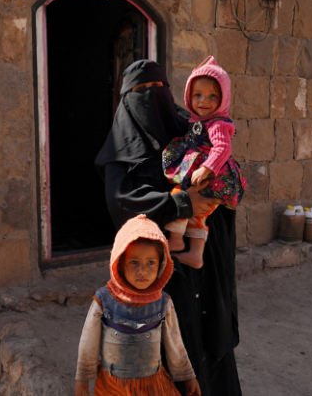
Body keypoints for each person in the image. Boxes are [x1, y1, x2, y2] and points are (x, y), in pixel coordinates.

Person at [96, 60, 243, 396]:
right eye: (141, 91)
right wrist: (182, 202)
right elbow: (122, 202)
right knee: (172, 348)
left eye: (159, 88)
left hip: (206, 263)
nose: (152, 96)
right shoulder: (121, 149)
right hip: (159, 271)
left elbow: (228, 173)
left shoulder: (190, 127)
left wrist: (212, 194)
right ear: (126, 97)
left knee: (209, 340)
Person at [74, 215, 202, 396]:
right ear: (119, 263)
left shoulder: (163, 302)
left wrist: (188, 376)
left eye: (151, 262)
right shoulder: (104, 299)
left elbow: (175, 343)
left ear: (161, 265)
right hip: (113, 386)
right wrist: (82, 377)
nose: (142, 270)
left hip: (153, 385)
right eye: (134, 262)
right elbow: (89, 343)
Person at [161, 56, 246, 269]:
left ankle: (176, 240)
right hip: (208, 174)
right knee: (200, 214)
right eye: (197, 95)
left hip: (214, 176)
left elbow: (223, 148)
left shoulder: (217, 123)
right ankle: (196, 254)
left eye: (212, 96)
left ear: (223, 99)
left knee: (180, 197)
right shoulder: (198, 121)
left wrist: (206, 168)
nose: (203, 101)